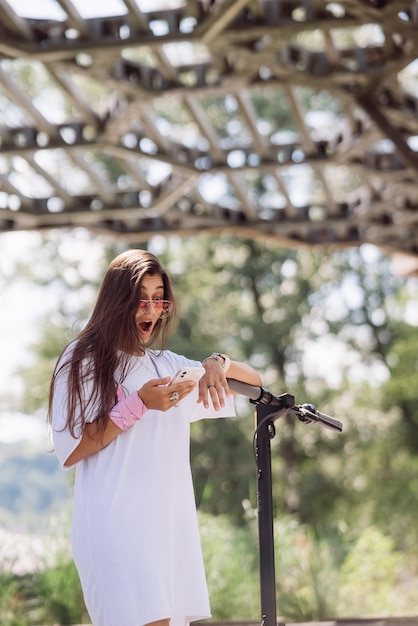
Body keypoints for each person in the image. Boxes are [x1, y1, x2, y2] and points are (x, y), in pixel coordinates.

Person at [48, 248, 262, 626]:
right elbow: (73, 447)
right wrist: (138, 404)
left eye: (158, 299)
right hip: (116, 526)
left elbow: (255, 383)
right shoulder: (82, 359)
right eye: (140, 300)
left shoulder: (170, 365)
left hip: (167, 530)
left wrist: (218, 363)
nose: (150, 310)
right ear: (118, 301)